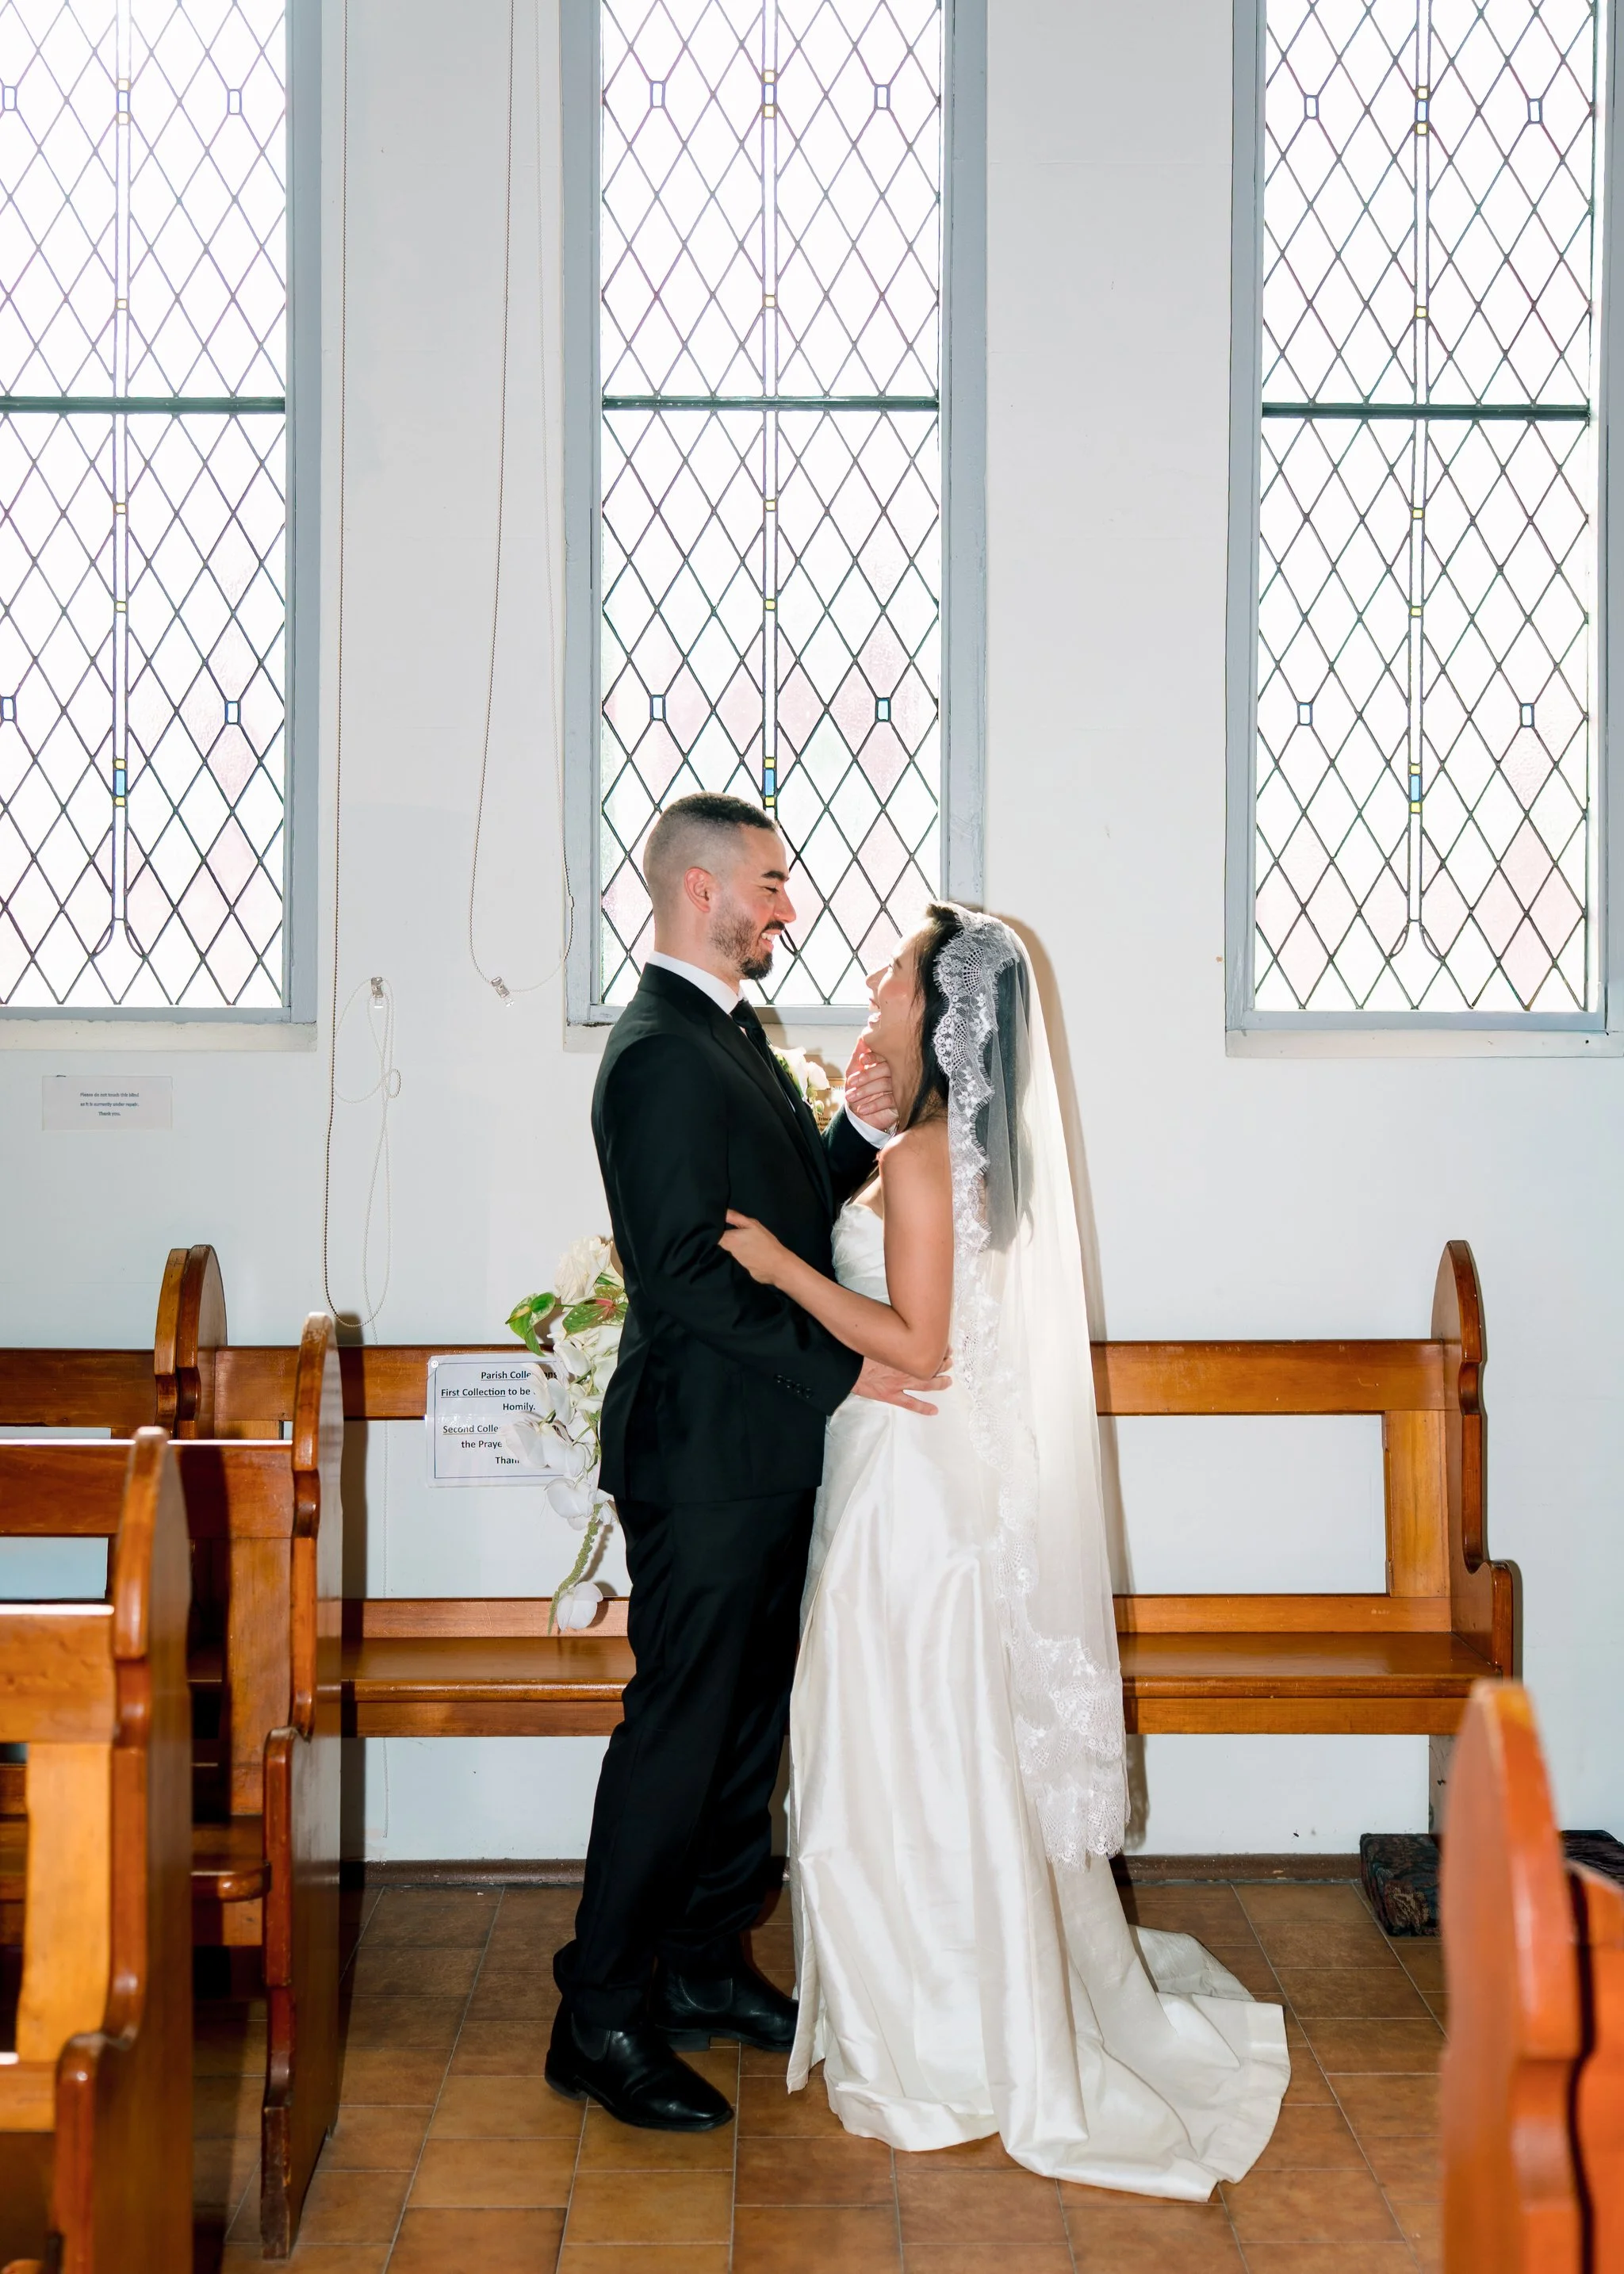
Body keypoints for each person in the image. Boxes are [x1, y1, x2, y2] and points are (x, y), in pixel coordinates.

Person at [718, 904, 1289, 2195]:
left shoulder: (929, 1157)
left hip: (909, 1504)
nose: (874, 983)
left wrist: (776, 1269)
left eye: (896, 974)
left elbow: (919, 1346)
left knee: (888, 1757)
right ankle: (950, 2005)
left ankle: (935, 2038)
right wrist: (853, 1135)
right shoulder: (937, 1144)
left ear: (938, 1011)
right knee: (913, 1756)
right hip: (911, 1475)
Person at [546, 792, 944, 2133]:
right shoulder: (658, 1051)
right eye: (770, 883)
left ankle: (705, 1967)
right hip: (704, 1457)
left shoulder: (729, 1034)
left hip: (762, 1451)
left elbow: (779, 1220)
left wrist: (862, 1135)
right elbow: (678, 1278)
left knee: (739, 1737)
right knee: (676, 1735)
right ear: (701, 892)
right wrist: (853, 1367)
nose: (789, 904)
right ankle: (598, 2013)